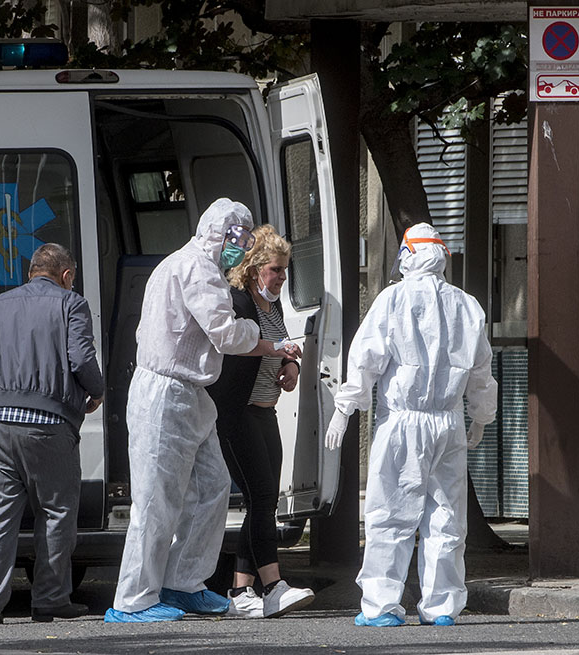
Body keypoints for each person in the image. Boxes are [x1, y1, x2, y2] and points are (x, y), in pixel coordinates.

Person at [105, 198, 295, 623]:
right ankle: (133, 599)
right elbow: (226, 333)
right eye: (241, 238)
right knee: (156, 500)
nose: (244, 247)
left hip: (191, 392)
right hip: (167, 391)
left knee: (211, 487)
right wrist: (262, 335)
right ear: (223, 233)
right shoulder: (197, 268)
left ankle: (184, 581)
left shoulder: (184, 265)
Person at [324, 223, 498, 628]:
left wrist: (345, 407)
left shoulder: (393, 299)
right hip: (449, 423)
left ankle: (382, 606)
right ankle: (441, 608)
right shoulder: (468, 306)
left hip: (402, 423)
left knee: (390, 513)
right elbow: (482, 373)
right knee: (446, 519)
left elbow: (365, 359)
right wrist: (481, 418)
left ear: (406, 254)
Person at [0, 243, 104, 626]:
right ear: (66, 276)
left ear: (31, 272)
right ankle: (50, 599)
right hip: (50, 425)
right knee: (55, 511)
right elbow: (82, 358)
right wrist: (98, 390)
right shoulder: (72, 304)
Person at [206, 224, 315, 618]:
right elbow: (238, 346)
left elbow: (282, 346)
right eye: (276, 270)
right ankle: (273, 585)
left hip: (265, 411)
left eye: (285, 270)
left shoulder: (274, 305)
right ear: (254, 269)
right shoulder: (240, 302)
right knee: (264, 496)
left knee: (261, 502)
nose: (282, 277)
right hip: (238, 413)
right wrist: (276, 350)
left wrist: (290, 365)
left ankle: (240, 593)